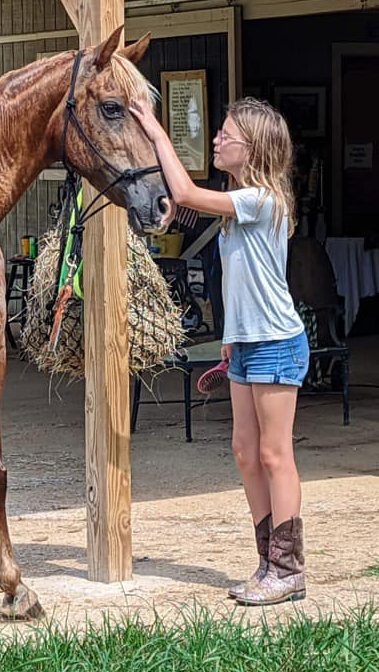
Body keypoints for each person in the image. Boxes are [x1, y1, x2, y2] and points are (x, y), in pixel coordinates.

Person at [131, 96, 308, 606]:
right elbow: (241, 282)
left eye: (225, 135)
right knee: (245, 452)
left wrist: (151, 126)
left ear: (251, 148)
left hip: (277, 344)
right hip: (249, 345)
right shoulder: (238, 208)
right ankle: (267, 563)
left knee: (275, 455)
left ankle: (289, 569)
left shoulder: (262, 200)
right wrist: (230, 338)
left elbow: (184, 192)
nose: (216, 140)